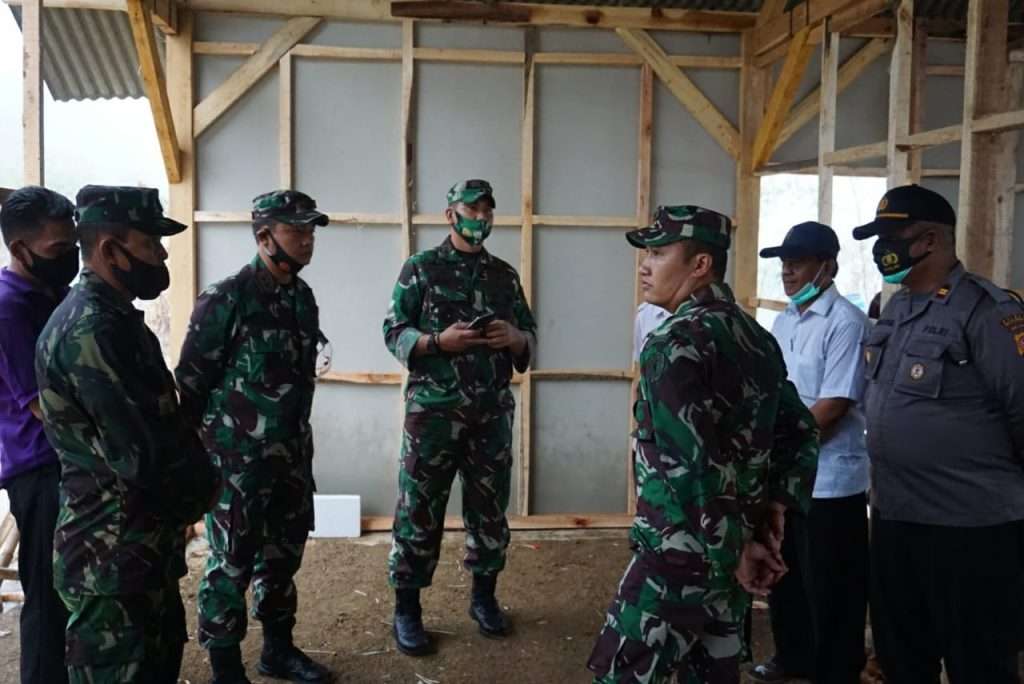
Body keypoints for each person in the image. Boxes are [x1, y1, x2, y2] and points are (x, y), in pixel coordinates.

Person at [587, 205, 819, 684]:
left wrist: (730, 549)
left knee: (621, 674)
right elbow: (800, 432)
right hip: (732, 556)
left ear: (700, 266)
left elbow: (690, 465)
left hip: (676, 557)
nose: (644, 265)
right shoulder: (755, 337)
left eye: (659, 252)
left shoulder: (671, 344)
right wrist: (775, 508)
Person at [35, 185, 220, 683]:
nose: (162, 254)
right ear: (111, 250)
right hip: (110, 563)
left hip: (137, 552)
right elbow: (144, 453)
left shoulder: (115, 320)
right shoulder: (92, 329)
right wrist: (205, 488)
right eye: (151, 243)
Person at [853, 183, 1024, 683]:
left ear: (928, 240)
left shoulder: (989, 312)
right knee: (903, 655)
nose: (878, 248)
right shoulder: (895, 309)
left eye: (888, 236)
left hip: (970, 529)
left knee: (980, 662)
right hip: (894, 518)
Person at [176, 190, 332, 684]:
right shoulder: (224, 300)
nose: (307, 241)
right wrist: (198, 464)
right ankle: (226, 668)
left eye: (310, 231)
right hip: (235, 466)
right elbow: (191, 386)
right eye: (296, 231)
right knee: (230, 566)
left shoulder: (302, 298)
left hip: (289, 458)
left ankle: (277, 650)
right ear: (264, 237)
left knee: (282, 559)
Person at [382, 179, 537, 656]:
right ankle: (407, 609)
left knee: (489, 511)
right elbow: (393, 330)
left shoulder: (504, 276)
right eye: (472, 209)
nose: (482, 217)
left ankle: (484, 599)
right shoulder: (421, 269)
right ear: (451, 215)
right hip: (432, 417)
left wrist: (513, 336)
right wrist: (435, 343)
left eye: (488, 209)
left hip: (490, 416)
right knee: (418, 511)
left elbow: (528, 337)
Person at [751, 221, 870, 684]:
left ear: (828, 267)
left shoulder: (846, 323)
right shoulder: (784, 320)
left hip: (832, 478)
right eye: (784, 264)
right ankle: (792, 655)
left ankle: (835, 668)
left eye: (796, 263)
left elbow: (835, 403)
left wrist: (781, 442)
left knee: (832, 582)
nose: (787, 273)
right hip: (789, 474)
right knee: (787, 575)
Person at [0, 186, 78, 684]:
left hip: (67, 460)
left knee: (73, 589)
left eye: (73, 245)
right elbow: (44, 406)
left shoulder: (55, 293)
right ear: (19, 249)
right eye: (57, 250)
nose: (69, 257)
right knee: (47, 597)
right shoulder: (10, 307)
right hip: (40, 467)